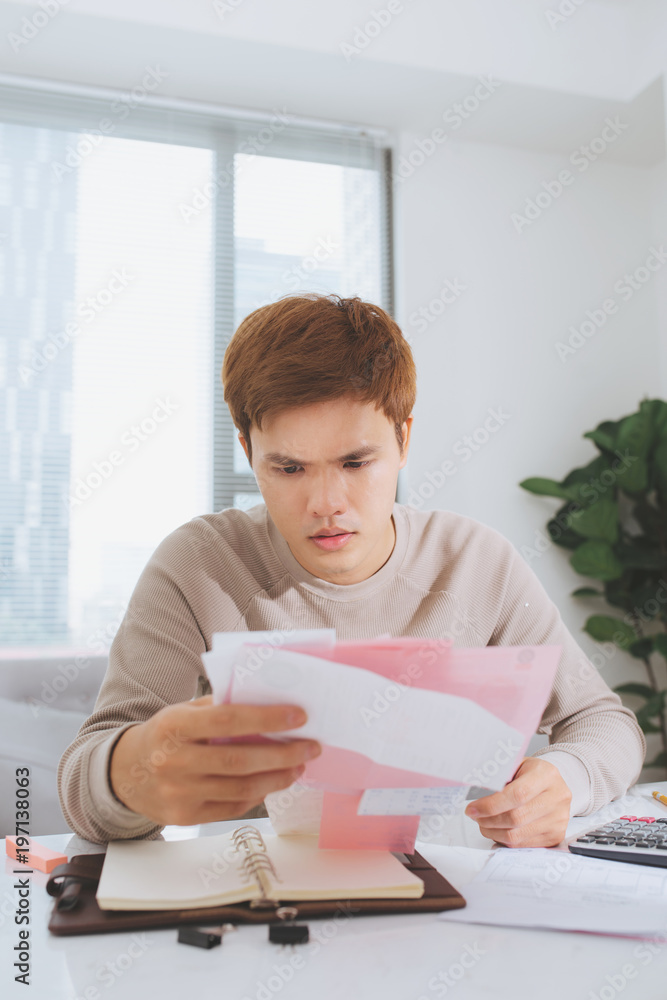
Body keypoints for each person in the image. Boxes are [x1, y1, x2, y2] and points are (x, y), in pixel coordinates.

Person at [57, 292, 646, 846]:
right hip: (259, 905)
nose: (326, 503)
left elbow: (604, 721)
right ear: (247, 453)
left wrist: (567, 777)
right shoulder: (198, 567)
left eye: (356, 461)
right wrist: (130, 769)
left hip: (436, 890)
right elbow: (83, 788)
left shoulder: (474, 562)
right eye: (289, 469)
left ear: (403, 440)